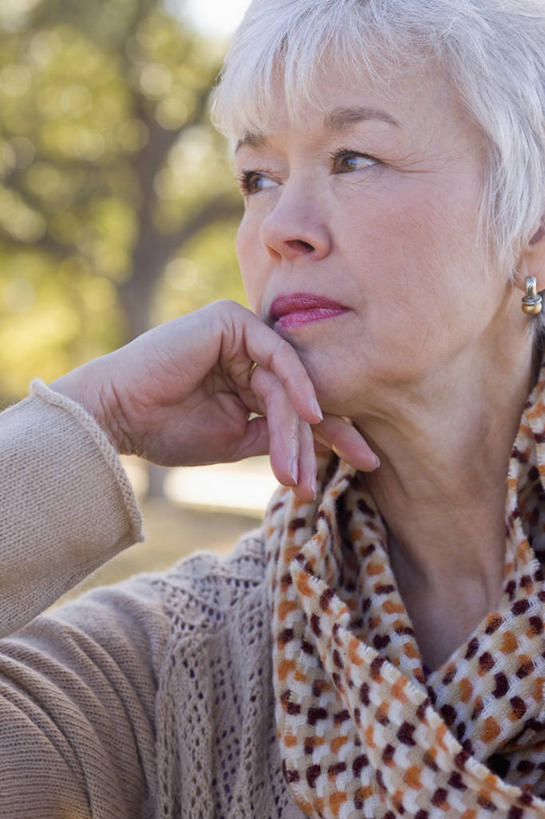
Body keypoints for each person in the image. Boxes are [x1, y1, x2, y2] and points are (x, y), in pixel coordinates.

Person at [3, 0, 545, 815]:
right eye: (258, 177)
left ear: (532, 226)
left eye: (353, 158)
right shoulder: (173, 667)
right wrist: (90, 417)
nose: (279, 228)